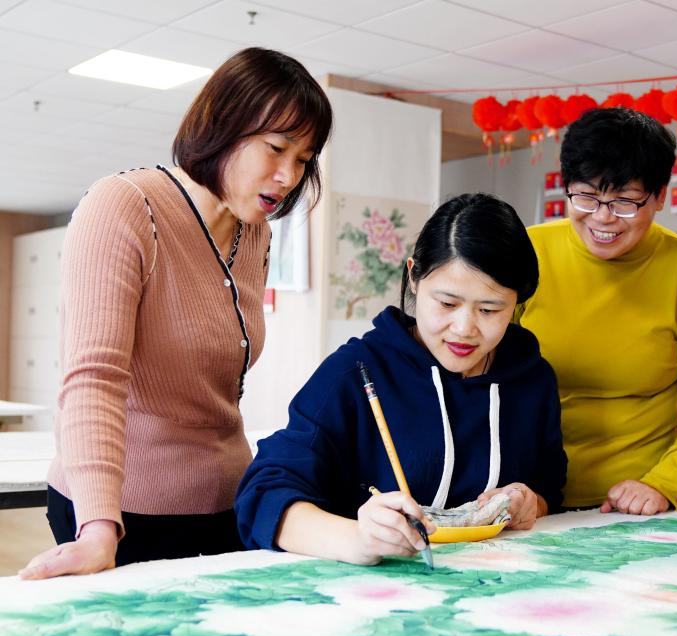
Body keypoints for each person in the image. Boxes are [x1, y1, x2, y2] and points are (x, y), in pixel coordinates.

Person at [20, 48, 334, 580]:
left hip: (225, 504)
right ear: (224, 126)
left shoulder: (256, 232)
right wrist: (98, 527)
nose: (288, 175)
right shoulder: (124, 206)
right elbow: (94, 378)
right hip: (120, 512)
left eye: (303, 159)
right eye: (277, 148)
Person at [235, 193, 567, 565]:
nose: (464, 328)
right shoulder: (356, 373)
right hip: (372, 589)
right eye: (447, 303)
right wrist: (358, 539)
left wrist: (529, 503)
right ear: (414, 276)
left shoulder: (532, 380)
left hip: (496, 583)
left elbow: (549, 487)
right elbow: (263, 495)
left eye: (489, 310)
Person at [517, 107, 677, 515]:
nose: (603, 217)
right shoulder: (525, 254)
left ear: (660, 196)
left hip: (636, 504)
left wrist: (661, 483)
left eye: (624, 201)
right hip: (525, 495)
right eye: (586, 197)